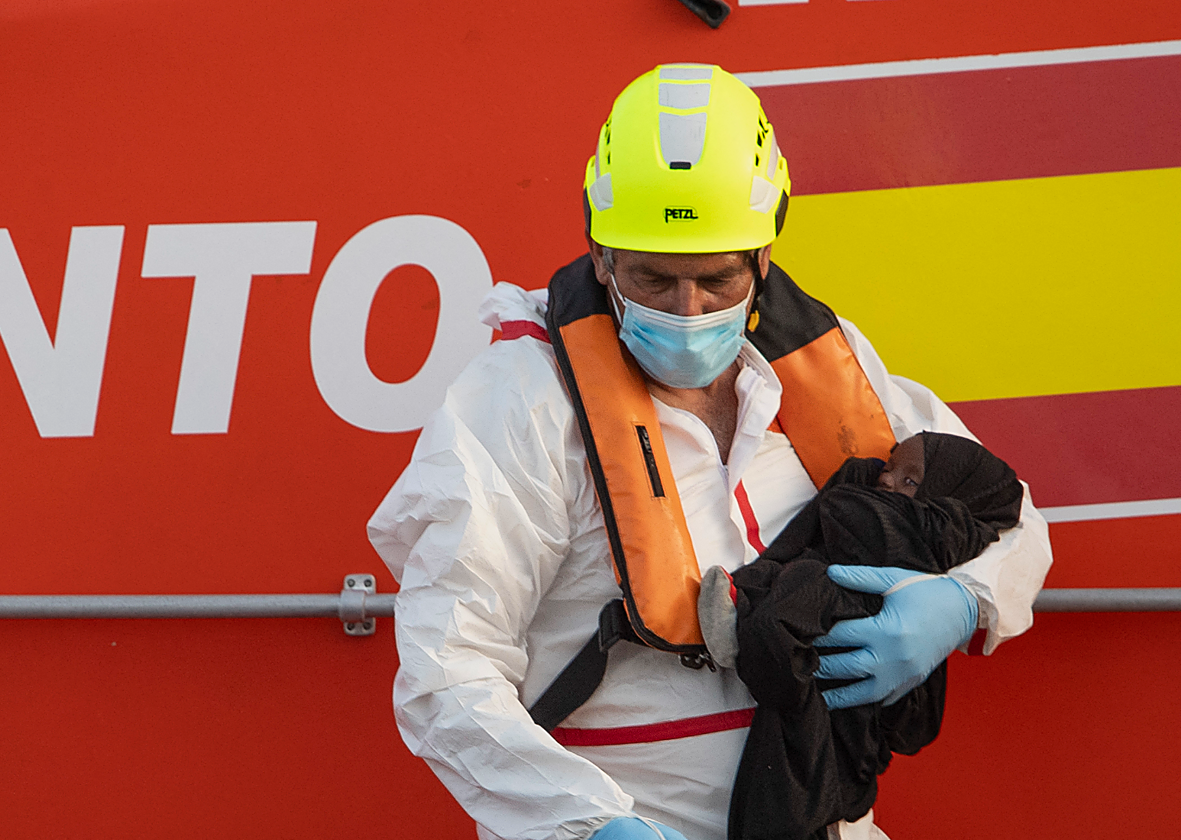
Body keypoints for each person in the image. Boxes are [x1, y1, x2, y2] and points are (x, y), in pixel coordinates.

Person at [368, 63, 1052, 840]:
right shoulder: (521, 401)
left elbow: (1011, 514)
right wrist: (589, 826)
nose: (688, 311)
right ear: (600, 256)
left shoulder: (827, 366)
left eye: (718, 280)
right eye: (653, 280)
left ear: (763, 258)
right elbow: (444, 672)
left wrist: (967, 599)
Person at [696, 433, 1024, 840]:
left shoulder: (868, 386)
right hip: (652, 794)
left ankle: (747, 624)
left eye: (908, 481)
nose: (886, 481)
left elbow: (1012, 512)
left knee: (803, 598)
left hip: (834, 762)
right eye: (888, 469)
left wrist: (966, 600)